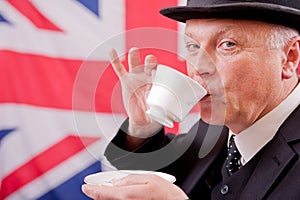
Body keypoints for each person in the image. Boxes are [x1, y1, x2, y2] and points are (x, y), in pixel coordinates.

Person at [82, 0, 300, 199]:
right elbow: (161, 172)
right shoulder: (214, 129)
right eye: (193, 46)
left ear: (289, 58)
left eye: (227, 45)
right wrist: (143, 128)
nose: (198, 68)